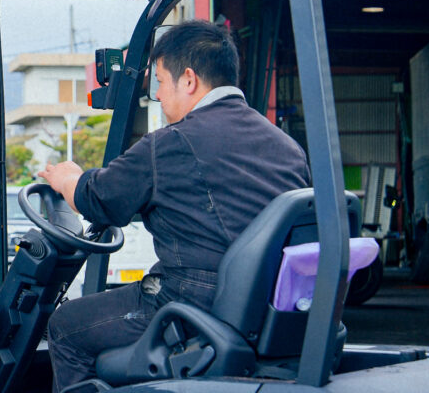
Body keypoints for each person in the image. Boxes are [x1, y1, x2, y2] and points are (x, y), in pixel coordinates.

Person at [38, 20, 310, 391]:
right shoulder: (286, 147)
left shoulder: (171, 143)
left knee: (65, 326)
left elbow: (98, 199)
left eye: (160, 83)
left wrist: (67, 178)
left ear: (188, 80)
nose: (159, 97)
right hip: (267, 310)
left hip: (192, 308)